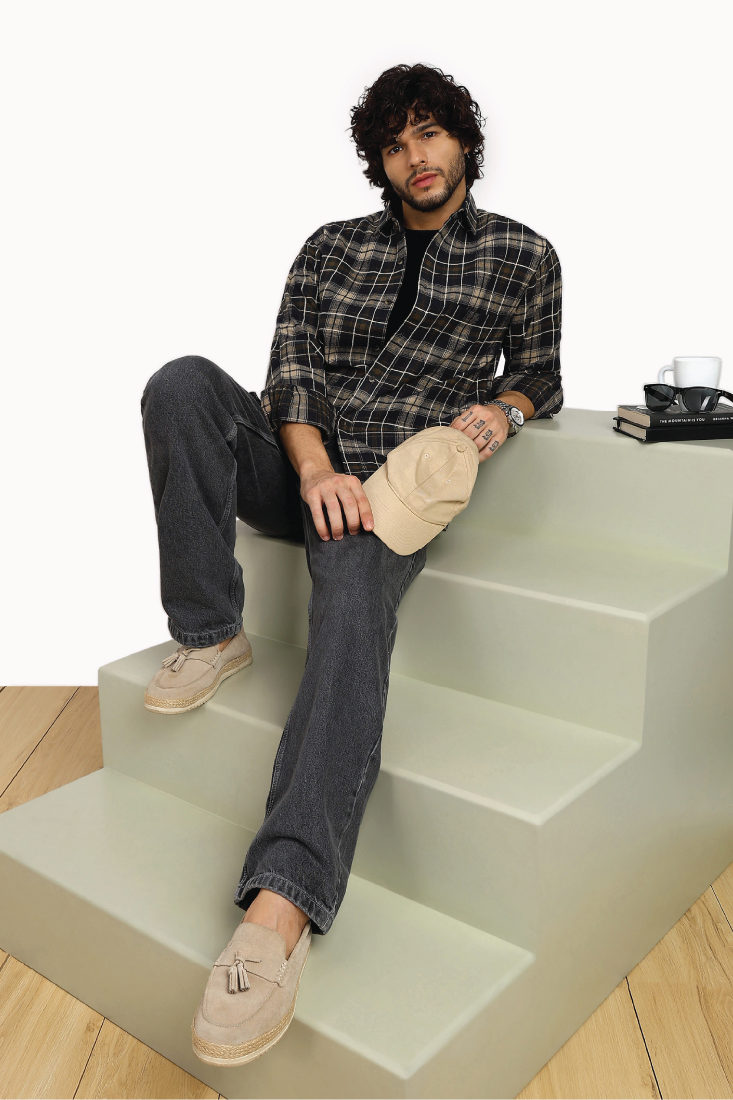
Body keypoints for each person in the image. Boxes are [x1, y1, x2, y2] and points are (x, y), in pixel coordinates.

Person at [140, 62, 563, 1066]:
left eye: (430, 134)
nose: (416, 157)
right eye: (395, 144)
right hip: (305, 460)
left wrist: (501, 411)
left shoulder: (521, 255)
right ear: (379, 161)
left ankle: (281, 904)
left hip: (396, 488)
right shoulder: (331, 248)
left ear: (463, 140)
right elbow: (289, 370)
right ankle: (211, 632)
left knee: (353, 579)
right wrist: (314, 466)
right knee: (181, 384)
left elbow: (540, 370)